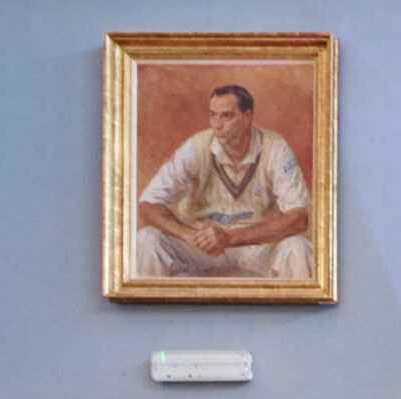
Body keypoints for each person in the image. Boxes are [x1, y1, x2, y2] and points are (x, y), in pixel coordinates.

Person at [132, 84, 312, 280]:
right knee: (147, 238)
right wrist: (188, 235)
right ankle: (152, 302)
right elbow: (148, 204)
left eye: (226, 116)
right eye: (213, 115)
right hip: (202, 248)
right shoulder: (196, 147)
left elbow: (299, 218)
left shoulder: (275, 148)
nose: (217, 125)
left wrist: (230, 237)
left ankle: (296, 303)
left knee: (298, 247)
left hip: (256, 247)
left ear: (247, 116)